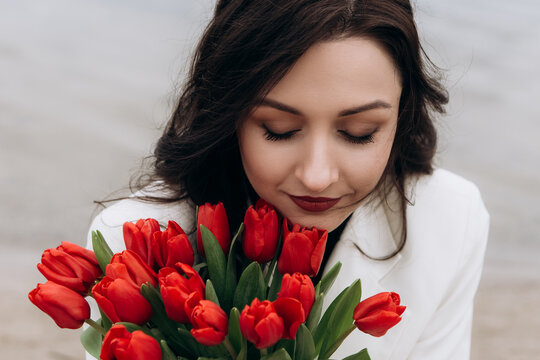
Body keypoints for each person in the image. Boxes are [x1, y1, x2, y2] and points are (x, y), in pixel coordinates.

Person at [87, 0, 489, 358]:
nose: (317, 177)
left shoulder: (450, 217)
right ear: (228, 114)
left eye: (359, 132)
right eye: (278, 128)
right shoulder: (134, 240)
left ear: (402, 116)